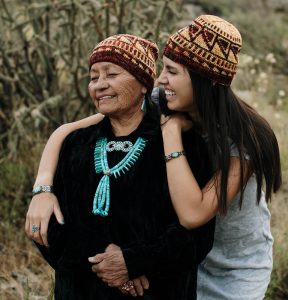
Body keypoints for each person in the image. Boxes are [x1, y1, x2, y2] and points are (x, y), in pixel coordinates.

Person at [26, 15, 282, 300]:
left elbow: (193, 214)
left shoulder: (244, 139)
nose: (161, 79)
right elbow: (66, 131)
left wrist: (171, 131)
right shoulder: (162, 99)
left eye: (172, 71)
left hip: (233, 269)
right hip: (180, 265)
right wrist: (43, 189)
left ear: (203, 81)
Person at [27, 33, 215, 300]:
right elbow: (50, 227)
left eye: (111, 74)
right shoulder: (75, 144)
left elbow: (196, 238)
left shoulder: (182, 144)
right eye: (94, 77)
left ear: (143, 84)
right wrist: (112, 268)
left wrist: (134, 261)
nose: (99, 85)